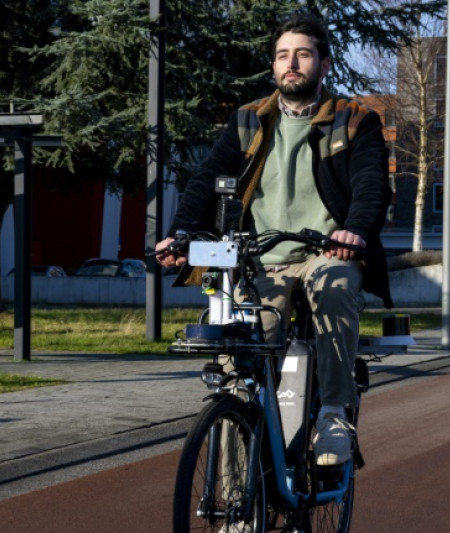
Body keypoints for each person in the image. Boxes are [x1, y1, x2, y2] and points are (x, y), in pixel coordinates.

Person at [156, 13, 393, 467]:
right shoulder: (248, 121)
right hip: (260, 260)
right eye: (283, 55)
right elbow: (207, 181)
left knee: (336, 289)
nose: (292, 63)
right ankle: (234, 497)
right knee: (239, 354)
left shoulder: (354, 121)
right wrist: (179, 235)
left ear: (324, 64)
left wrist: (354, 231)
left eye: (303, 54)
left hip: (326, 253)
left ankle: (333, 414)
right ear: (273, 67)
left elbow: (370, 186)